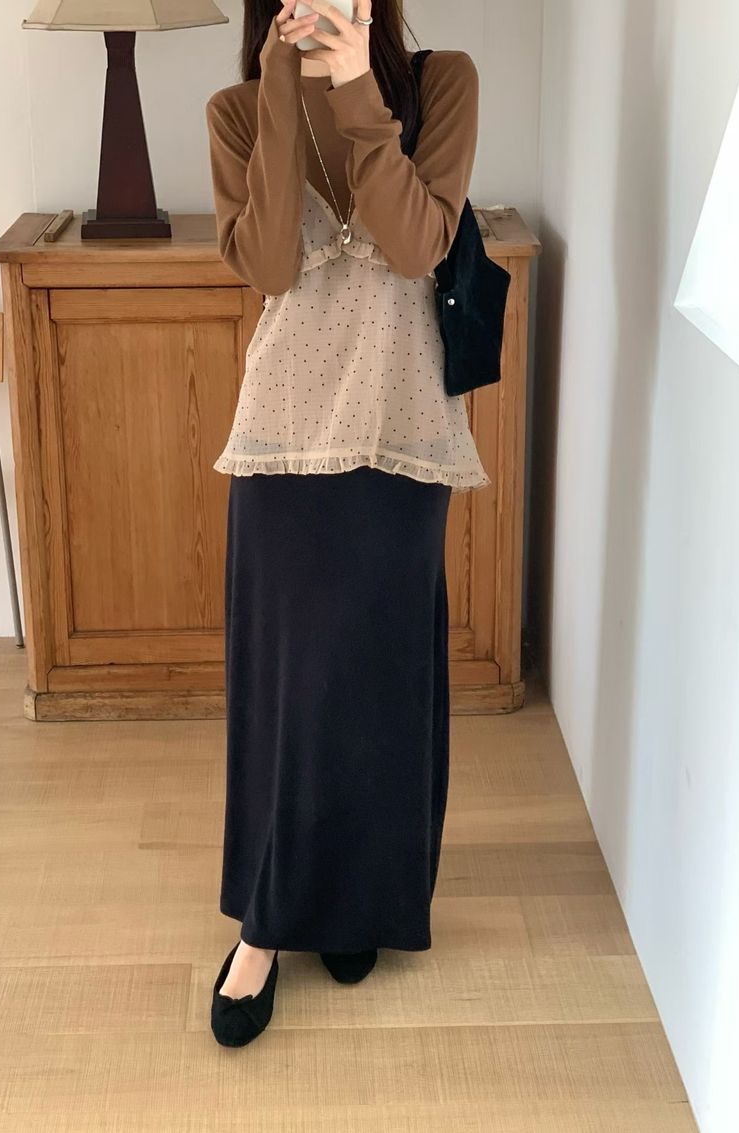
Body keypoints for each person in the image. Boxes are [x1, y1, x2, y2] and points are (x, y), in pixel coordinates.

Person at [205, 0, 488, 1047]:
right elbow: (270, 266)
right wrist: (284, 81)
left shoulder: (442, 83)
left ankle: (358, 903)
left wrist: (359, 85)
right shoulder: (237, 110)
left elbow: (414, 247)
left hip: (401, 429)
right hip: (283, 432)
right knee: (289, 685)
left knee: (376, 682)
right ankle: (265, 925)